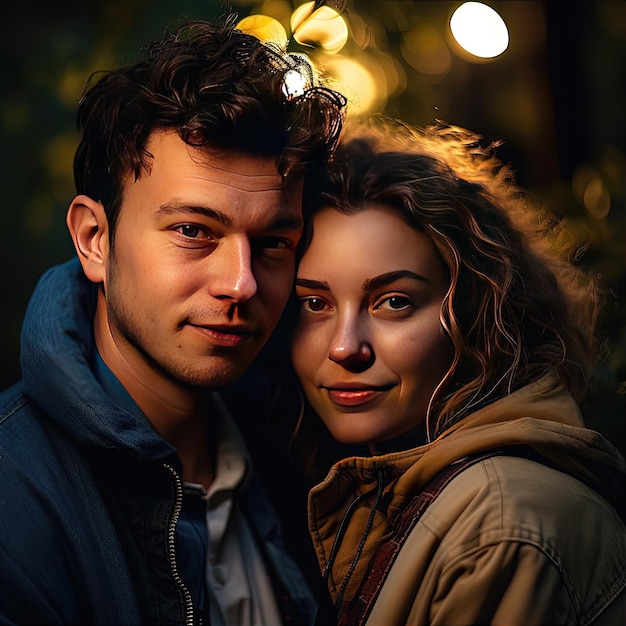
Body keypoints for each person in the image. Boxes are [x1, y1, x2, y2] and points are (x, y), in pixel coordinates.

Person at [0, 16, 345, 626]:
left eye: (272, 244)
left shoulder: (305, 457)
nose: (240, 283)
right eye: (193, 231)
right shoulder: (15, 498)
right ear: (94, 239)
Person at [286, 115, 626, 625]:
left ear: (476, 314)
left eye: (394, 302)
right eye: (314, 303)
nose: (345, 347)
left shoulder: (502, 528)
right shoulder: (392, 494)